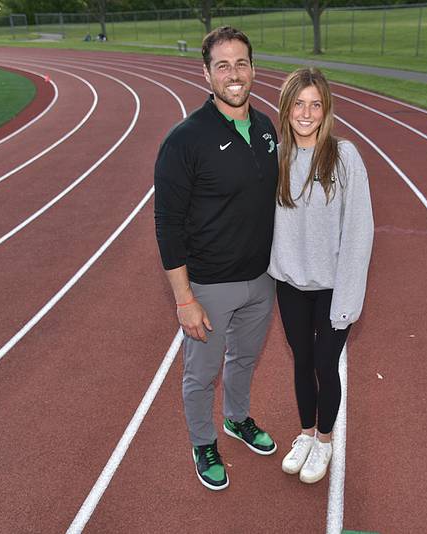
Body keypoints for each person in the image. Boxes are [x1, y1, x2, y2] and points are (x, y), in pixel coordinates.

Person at [154, 26, 280, 491]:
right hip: (208, 285)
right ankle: (203, 441)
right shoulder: (184, 141)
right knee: (201, 373)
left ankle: (237, 419)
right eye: (222, 65)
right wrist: (184, 298)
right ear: (206, 73)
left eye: (241, 63)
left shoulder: (266, 128)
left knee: (244, 360)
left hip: (261, 280)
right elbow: (167, 224)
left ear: (253, 69)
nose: (234, 73)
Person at [269, 68, 374, 484]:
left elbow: (359, 230)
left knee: (326, 365)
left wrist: (348, 298)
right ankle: (306, 434)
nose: (306, 112)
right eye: (299, 103)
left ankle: (325, 441)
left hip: (333, 286)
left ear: (326, 109)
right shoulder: (277, 156)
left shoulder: (344, 156)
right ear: (286, 108)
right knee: (302, 361)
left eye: (315, 104)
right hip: (290, 283)